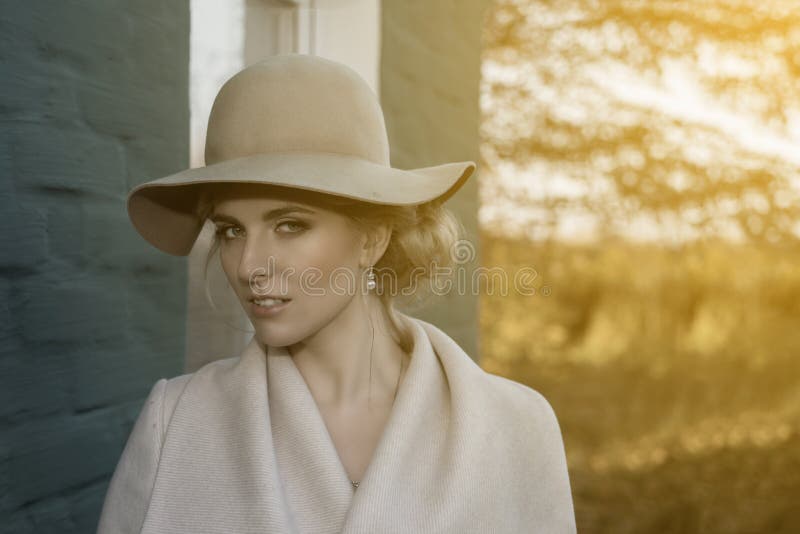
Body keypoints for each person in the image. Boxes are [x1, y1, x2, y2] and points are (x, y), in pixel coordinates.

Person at [96, 53, 576, 534]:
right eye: (230, 230)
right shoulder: (177, 422)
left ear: (371, 239)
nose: (248, 266)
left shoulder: (515, 426)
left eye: (289, 225)